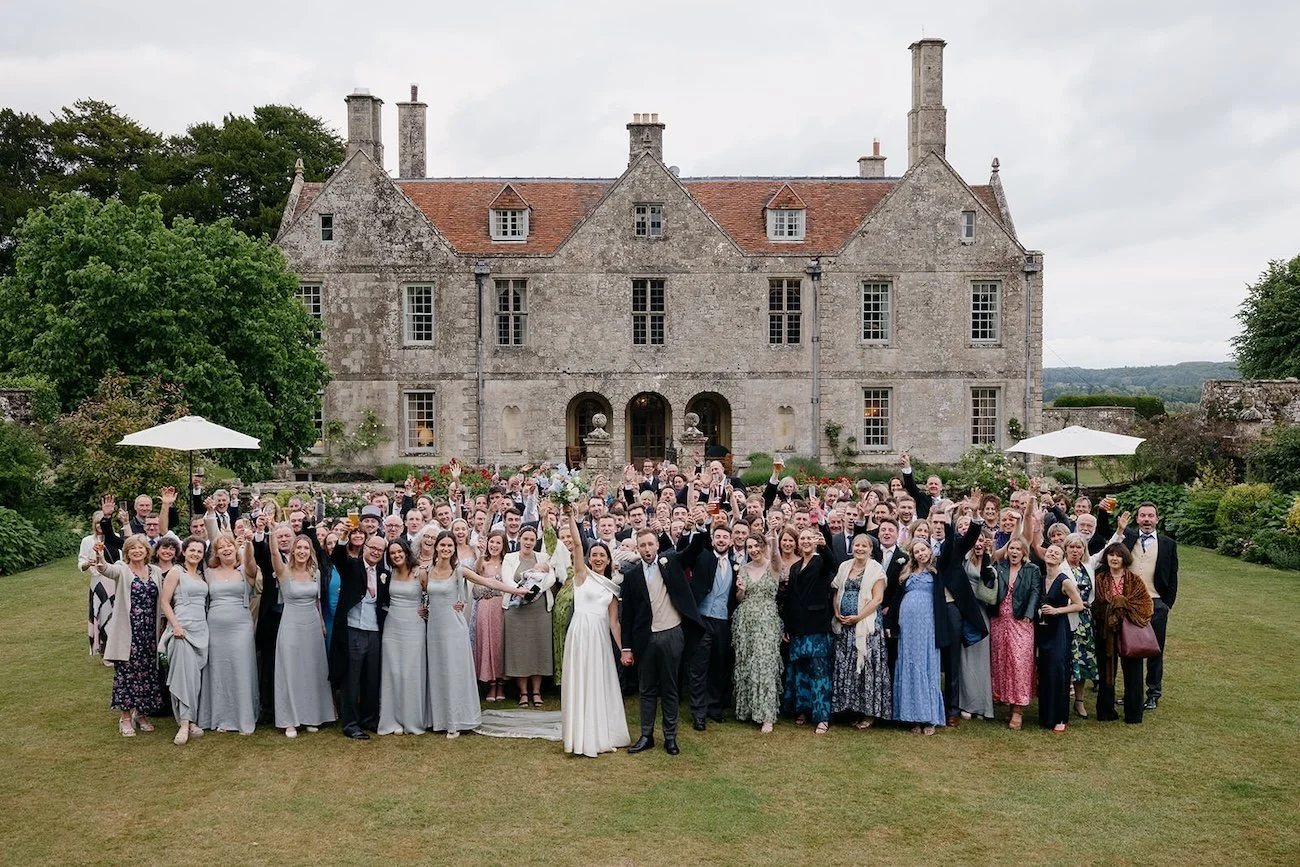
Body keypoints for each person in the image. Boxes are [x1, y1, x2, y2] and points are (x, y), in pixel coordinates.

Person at [420, 531, 526, 737]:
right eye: (442, 545)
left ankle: (456, 720)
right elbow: (422, 595)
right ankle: (438, 719)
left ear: (453, 549)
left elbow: (489, 582)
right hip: (434, 629)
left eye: (449, 546)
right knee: (437, 670)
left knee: (454, 671)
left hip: (454, 626)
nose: (445, 549)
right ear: (437, 547)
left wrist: (516, 591)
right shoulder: (427, 571)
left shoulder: (459, 570)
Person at [621, 527, 705, 756]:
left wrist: (699, 528)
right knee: (646, 689)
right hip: (645, 639)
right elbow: (626, 615)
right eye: (642, 546)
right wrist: (626, 648)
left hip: (671, 634)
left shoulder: (673, 561)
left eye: (650, 544)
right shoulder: (631, 576)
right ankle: (646, 735)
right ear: (637, 549)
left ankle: (670, 737)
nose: (647, 549)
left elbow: (695, 549)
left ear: (657, 545)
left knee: (670, 688)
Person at [560, 511, 631, 757]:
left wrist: (624, 649)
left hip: (600, 638)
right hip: (580, 632)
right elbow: (578, 543)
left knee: (598, 682)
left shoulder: (612, 587)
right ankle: (579, 733)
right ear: (589, 559)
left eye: (603, 555)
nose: (598, 558)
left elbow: (614, 622)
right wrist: (570, 517)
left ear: (609, 560)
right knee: (580, 680)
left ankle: (601, 730)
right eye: (595, 555)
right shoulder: (581, 576)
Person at [271, 532, 337, 738]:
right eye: (298, 548)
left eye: (305, 548)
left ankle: (311, 716)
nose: (302, 551)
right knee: (290, 669)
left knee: (312, 670)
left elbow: (317, 601)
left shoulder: (315, 573)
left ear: (311, 552)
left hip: (312, 625)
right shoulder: (283, 571)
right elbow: (273, 553)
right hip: (291, 623)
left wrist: (321, 624)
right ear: (292, 551)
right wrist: (272, 531)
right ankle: (290, 720)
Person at [99, 534, 165, 737]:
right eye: (132, 549)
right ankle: (125, 718)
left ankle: (141, 714)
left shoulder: (155, 571)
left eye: (141, 548)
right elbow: (107, 570)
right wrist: (100, 558)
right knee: (127, 675)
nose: (137, 551)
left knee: (147, 674)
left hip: (149, 632)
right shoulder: (123, 569)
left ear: (147, 551)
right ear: (126, 553)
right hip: (129, 632)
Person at [329, 531, 390, 740]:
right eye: (372, 547)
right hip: (353, 628)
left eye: (380, 550)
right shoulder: (352, 566)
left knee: (371, 677)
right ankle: (351, 723)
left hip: (374, 630)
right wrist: (344, 538)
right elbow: (336, 557)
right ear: (365, 547)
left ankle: (369, 719)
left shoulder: (384, 574)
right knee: (352, 678)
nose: (375, 552)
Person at [197, 531, 259, 735]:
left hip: (240, 626)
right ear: (215, 552)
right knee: (218, 670)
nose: (226, 549)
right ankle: (221, 718)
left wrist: (248, 543)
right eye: (221, 547)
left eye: (229, 545)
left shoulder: (245, 571)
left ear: (235, 547)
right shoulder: (208, 573)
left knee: (240, 668)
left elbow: (250, 562)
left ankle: (243, 718)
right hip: (215, 627)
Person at [830, 534, 891, 729]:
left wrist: (858, 617)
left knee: (867, 667)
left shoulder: (876, 569)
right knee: (847, 666)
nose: (860, 549)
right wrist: (837, 611)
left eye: (864, 546)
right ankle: (850, 708)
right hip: (845, 627)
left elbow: (877, 599)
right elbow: (837, 591)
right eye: (857, 545)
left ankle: (869, 713)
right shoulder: (844, 566)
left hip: (866, 626)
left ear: (870, 549)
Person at [779, 528, 835, 735]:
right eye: (802, 538)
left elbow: (833, 564)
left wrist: (824, 546)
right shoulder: (794, 567)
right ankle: (802, 709)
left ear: (814, 541)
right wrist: (787, 625)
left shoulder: (821, 562)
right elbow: (791, 598)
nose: (805, 541)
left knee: (819, 672)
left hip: (817, 625)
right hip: (798, 626)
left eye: (808, 538)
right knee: (799, 671)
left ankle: (822, 717)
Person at [1123, 502, 1178, 710]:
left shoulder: (1168, 544)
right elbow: (1105, 536)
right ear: (1137, 519)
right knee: (1129, 648)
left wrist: (1166, 604)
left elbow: (1172, 575)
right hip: (1130, 602)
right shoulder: (1128, 538)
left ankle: (1153, 692)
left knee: (1155, 650)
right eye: (1143, 516)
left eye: (1151, 516)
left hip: (1157, 602)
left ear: (1157, 518)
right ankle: (1131, 691)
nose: (1146, 519)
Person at [1095, 539, 1154, 724]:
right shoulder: (1100, 579)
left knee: (1134, 673)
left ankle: (1133, 713)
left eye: (1119, 555)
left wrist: (1122, 605)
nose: (1114, 558)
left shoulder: (1134, 580)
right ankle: (1106, 711)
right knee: (1106, 672)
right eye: (1111, 554)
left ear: (1125, 559)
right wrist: (1110, 612)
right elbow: (1095, 604)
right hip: (1107, 631)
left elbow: (1145, 605)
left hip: (1130, 631)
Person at [892, 540, 947, 735]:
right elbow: (897, 598)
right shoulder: (907, 573)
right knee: (909, 663)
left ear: (930, 550)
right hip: (907, 622)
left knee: (926, 664)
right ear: (912, 555)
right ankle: (912, 716)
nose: (921, 553)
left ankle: (929, 716)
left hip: (928, 622)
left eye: (923, 549)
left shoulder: (936, 571)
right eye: (916, 552)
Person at [159, 537, 210, 745]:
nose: (195, 554)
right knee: (182, 675)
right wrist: (176, 626)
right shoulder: (176, 572)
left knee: (195, 678)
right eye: (192, 550)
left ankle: (191, 721)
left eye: (199, 551)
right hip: (181, 629)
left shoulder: (201, 576)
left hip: (201, 630)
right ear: (184, 551)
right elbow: (164, 601)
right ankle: (183, 723)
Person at [732, 535, 783, 733]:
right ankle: (748, 709)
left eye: (756, 545)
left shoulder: (773, 566)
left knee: (765, 664)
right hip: (745, 620)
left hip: (767, 620)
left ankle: (767, 715)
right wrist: (741, 590)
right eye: (749, 547)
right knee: (746, 662)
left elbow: (777, 556)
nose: (753, 550)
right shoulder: (743, 569)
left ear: (763, 546)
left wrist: (775, 539)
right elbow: (739, 598)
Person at [990, 537, 1042, 730]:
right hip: (999, 622)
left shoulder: (1032, 570)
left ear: (1024, 552)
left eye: (1018, 549)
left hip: (1021, 621)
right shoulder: (999, 568)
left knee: (1020, 663)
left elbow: (1036, 592)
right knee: (1002, 663)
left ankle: (1018, 710)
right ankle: (1008, 704)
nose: (1014, 552)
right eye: (1011, 548)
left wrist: (1029, 614)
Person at [378, 539, 427, 735]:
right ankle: (392, 719)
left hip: (414, 626)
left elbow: (432, 594)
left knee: (410, 672)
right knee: (394, 672)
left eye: (399, 552)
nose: (396, 555)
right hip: (392, 626)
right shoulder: (389, 574)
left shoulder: (420, 572)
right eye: (392, 553)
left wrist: (426, 610)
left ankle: (412, 719)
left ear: (406, 552)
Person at [501, 525, 554, 707]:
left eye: (532, 539)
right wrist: (520, 590)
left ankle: (537, 691)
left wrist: (534, 591)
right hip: (517, 609)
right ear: (520, 539)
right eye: (526, 539)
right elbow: (506, 578)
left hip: (539, 609)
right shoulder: (509, 557)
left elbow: (551, 578)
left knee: (538, 649)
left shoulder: (543, 558)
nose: (529, 542)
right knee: (520, 651)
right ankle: (523, 692)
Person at [1035, 544, 1084, 732]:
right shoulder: (1041, 579)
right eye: (1049, 552)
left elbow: (1079, 604)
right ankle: (1046, 716)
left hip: (1058, 630)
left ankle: (1060, 718)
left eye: (1056, 553)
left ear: (1061, 558)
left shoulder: (1065, 581)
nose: (1052, 554)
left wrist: (1057, 610)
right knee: (1045, 671)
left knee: (1058, 671)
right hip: (1043, 630)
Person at [958, 530, 997, 721]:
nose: (979, 543)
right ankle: (966, 704)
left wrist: (989, 554)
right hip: (965, 611)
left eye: (982, 540)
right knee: (965, 660)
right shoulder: (964, 560)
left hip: (982, 613)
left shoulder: (991, 561)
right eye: (976, 540)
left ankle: (982, 706)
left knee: (982, 660)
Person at [470, 531, 510, 702]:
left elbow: (507, 585)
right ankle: (491, 683)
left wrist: (493, 589)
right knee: (486, 642)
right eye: (492, 542)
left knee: (499, 642)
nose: (494, 545)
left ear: (503, 546)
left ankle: (501, 683)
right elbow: (476, 584)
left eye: (498, 543)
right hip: (485, 607)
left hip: (501, 607)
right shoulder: (482, 562)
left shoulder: (506, 563)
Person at [1063, 533, 1098, 719]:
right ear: (1065, 549)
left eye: (1079, 547)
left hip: (1085, 621)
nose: (1075, 551)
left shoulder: (1088, 566)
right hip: (1067, 619)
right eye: (1072, 547)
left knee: (1083, 660)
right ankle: (1062, 699)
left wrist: (1119, 532)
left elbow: (1105, 552)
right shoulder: (1061, 568)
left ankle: (1079, 701)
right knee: (1068, 659)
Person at [79, 512, 115, 659]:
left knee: (114, 615)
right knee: (101, 614)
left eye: (103, 523)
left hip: (113, 580)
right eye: (98, 523)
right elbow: (81, 563)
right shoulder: (88, 540)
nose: (100, 526)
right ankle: (103, 649)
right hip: (98, 581)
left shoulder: (114, 537)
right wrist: (88, 563)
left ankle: (114, 649)